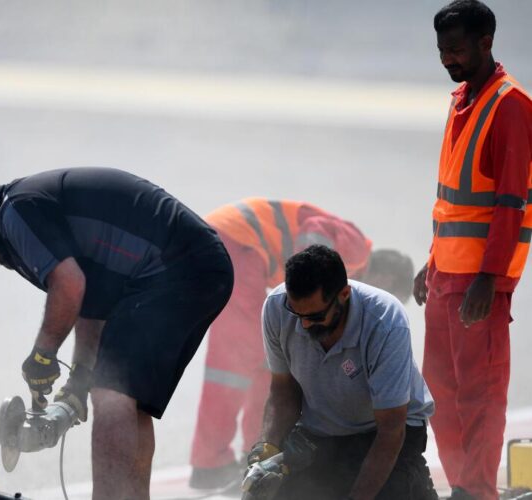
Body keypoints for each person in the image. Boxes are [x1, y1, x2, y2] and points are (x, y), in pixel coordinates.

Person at [0, 167, 233, 500]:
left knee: (112, 396)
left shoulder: (16, 211)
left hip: (174, 269)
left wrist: (42, 357)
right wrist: (80, 376)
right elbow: (89, 303)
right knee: (128, 399)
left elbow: (68, 285)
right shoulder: (36, 204)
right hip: (200, 267)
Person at [188, 198, 414, 489]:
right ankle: (219, 462)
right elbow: (314, 231)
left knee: (252, 362)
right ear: (385, 278)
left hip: (225, 242)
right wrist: (298, 288)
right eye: (389, 293)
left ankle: (239, 455)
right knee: (244, 362)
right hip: (238, 245)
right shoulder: (357, 251)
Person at [412, 2, 532, 499]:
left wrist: (489, 277)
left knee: (479, 396)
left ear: (486, 42)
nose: (448, 60)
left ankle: (476, 489)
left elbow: (509, 202)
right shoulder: (461, 98)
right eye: (442, 50)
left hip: (479, 283)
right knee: (439, 394)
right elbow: (455, 201)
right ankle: (464, 485)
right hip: (446, 277)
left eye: (457, 50)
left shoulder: (512, 105)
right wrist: (432, 261)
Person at [247, 245, 436, 500]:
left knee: (388, 492)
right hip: (324, 433)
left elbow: (391, 429)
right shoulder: (276, 309)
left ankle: (413, 482)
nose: (303, 325)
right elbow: (283, 391)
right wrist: (267, 447)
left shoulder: (385, 320)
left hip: (387, 432)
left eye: (315, 316)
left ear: (344, 294)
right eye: (297, 313)